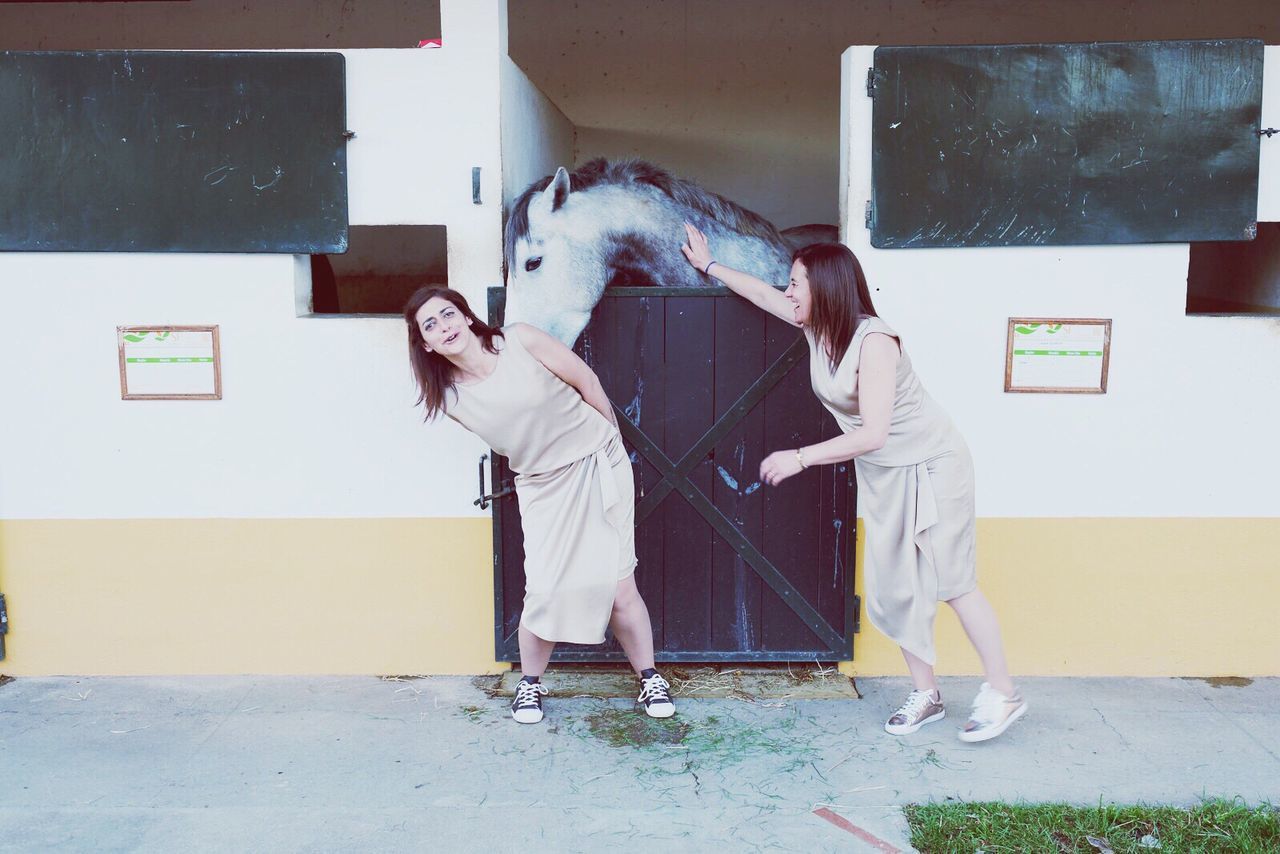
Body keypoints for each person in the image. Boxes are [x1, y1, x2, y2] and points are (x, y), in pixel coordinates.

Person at [679, 225, 1026, 743]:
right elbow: (758, 292)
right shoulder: (816, 329)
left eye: (797, 283)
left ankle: (1004, 692)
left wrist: (800, 457)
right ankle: (926, 694)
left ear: (827, 288)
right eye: (790, 283)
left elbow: (875, 431)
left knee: (953, 580)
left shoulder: (875, 341)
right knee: (897, 585)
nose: (788, 291)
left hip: (933, 464)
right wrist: (709, 266)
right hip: (886, 472)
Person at [404, 286, 674, 724]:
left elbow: (587, 381)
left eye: (448, 314)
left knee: (620, 583)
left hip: (597, 463)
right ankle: (529, 685)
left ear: (468, 318)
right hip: (543, 487)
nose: (443, 327)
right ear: (425, 344)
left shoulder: (521, 341)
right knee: (544, 591)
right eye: (429, 325)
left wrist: (612, 443)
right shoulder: (450, 399)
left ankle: (649, 677)